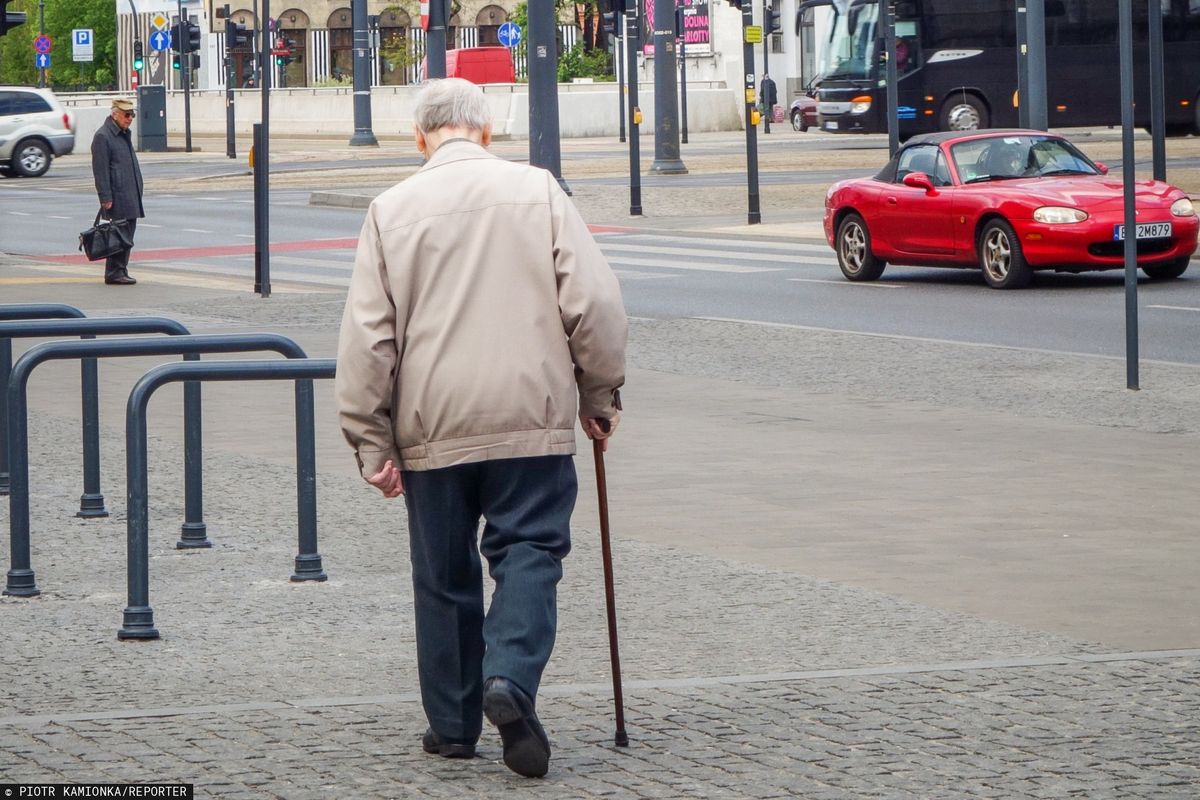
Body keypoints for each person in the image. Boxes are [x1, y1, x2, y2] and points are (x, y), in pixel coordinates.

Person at [335, 78, 627, 779]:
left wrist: (370, 440)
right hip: (531, 414)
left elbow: (368, 340)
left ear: (420, 137)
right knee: (531, 547)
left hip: (431, 420)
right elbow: (595, 305)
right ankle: (512, 678)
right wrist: (599, 395)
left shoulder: (391, 210)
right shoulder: (539, 192)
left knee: (442, 572)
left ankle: (455, 725)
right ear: (488, 133)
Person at [90, 97, 144, 285]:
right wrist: (105, 196)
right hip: (118, 195)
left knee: (126, 235)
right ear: (115, 115)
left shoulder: (122, 133)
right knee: (118, 235)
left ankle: (121, 269)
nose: (130, 119)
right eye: (127, 115)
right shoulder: (103, 136)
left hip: (129, 193)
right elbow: (100, 170)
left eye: (132, 115)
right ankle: (114, 271)